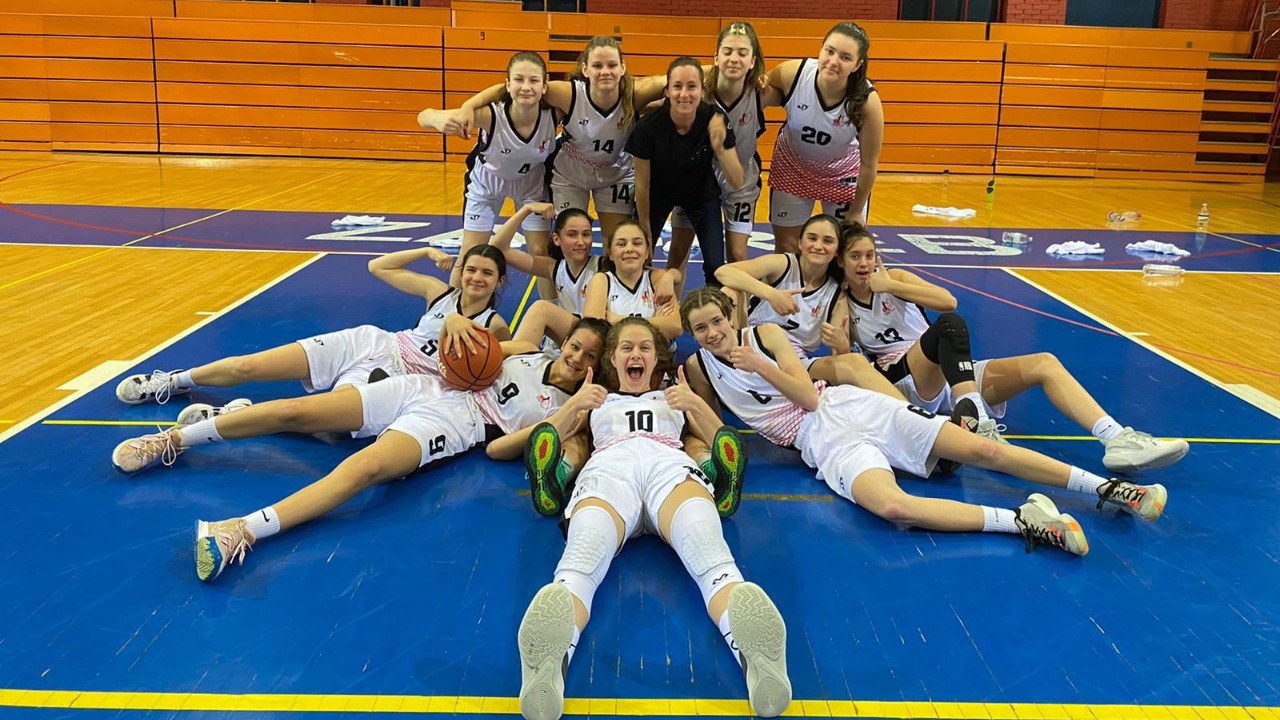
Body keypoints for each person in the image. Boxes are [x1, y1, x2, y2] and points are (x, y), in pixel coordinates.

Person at [111, 317, 610, 583]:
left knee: (364, 470)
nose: (576, 357)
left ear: (596, 366)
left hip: (458, 425)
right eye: (575, 346)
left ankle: (241, 529)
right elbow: (479, 338)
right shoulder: (529, 351)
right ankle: (174, 439)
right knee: (295, 412)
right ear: (563, 342)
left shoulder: (570, 411)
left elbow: (500, 450)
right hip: (425, 385)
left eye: (589, 355)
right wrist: (457, 321)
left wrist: (569, 410)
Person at [678, 288, 1171, 557]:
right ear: (692, 335)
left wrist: (760, 366)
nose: (713, 333)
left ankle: (1111, 489)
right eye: (701, 328)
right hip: (818, 442)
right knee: (894, 507)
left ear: (730, 316)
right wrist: (688, 417)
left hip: (845, 406)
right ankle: (1024, 520)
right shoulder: (699, 368)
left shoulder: (763, 335)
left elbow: (808, 395)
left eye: (717, 321)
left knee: (986, 450)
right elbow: (719, 430)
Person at [514, 317, 791, 720]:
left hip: (668, 465)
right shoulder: (597, 398)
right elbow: (547, 435)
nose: (636, 353)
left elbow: (723, 438)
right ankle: (547, 668)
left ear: (656, 358)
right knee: (582, 556)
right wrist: (575, 403)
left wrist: (694, 402)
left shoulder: (673, 396)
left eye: (645, 347)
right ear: (612, 358)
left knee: (710, 553)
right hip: (611, 465)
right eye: (626, 347)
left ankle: (760, 662)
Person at [837, 225, 1191, 473]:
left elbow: (947, 300)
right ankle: (977, 419)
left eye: (870, 255)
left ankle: (1116, 438)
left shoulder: (896, 277)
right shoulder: (842, 301)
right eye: (855, 257)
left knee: (1044, 363)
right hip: (907, 380)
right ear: (841, 262)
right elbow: (846, 358)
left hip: (950, 372)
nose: (865, 263)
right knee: (949, 328)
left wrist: (891, 285)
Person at [115, 245, 510, 425]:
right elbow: (378, 266)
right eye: (471, 269)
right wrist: (425, 251)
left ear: (499, 282)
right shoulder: (437, 292)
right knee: (249, 365)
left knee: (320, 420)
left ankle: (233, 415)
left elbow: (487, 371)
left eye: (487, 273)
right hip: (374, 343)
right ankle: (173, 381)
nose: (477, 278)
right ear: (461, 272)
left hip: (403, 377)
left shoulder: (493, 325)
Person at [447, 37, 666, 249]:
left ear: (623, 67)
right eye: (597, 65)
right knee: (569, 242)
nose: (605, 71)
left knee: (616, 241)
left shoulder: (635, 94)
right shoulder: (568, 93)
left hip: (615, 173)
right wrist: (469, 104)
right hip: (571, 174)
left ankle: (609, 276)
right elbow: (516, 87)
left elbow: (678, 78)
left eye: (612, 65)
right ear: (585, 69)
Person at [417, 52, 557, 296]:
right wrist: (437, 120)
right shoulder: (490, 115)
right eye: (519, 79)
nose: (526, 86)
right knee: (471, 251)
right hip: (487, 183)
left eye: (534, 80)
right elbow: (424, 115)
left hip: (531, 183)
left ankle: (554, 310)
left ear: (544, 87)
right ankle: (449, 310)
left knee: (540, 251)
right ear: (507, 84)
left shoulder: (555, 113)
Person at [715, 214, 902, 397]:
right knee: (730, 292)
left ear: (837, 251)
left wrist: (842, 345)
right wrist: (771, 294)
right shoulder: (783, 264)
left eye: (828, 241)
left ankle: (907, 411)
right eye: (812, 238)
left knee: (855, 362)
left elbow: (841, 356)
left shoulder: (836, 296)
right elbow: (724, 272)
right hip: (752, 349)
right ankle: (727, 364)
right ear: (800, 242)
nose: (818, 246)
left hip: (795, 366)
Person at [627, 57, 744, 289]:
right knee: (640, 254)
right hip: (657, 194)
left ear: (702, 91)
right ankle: (640, 304)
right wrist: (644, 226)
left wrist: (720, 148)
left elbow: (737, 180)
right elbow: (642, 184)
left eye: (691, 86)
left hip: (700, 195)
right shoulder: (648, 126)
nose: (684, 94)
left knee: (716, 266)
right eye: (677, 86)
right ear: (667, 91)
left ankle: (714, 308)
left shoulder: (715, 119)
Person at [766, 22, 882, 253]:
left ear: (858, 65)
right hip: (793, 167)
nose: (833, 61)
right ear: (820, 49)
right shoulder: (793, 73)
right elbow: (751, 88)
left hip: (842, 173)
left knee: (844, 251)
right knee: (788, 249)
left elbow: (869, 164)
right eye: (829, 51)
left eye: (845, 57)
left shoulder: (867, 102)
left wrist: (856, 210)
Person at [670, 22, 776, 269]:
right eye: (727, 52)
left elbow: (791, 84)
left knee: (738, 255)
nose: (734, 58)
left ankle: (735, 297)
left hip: (741, 180)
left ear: (753, 61)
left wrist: (766, 76)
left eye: (742, 53)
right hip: (698, 179)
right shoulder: (698, 91)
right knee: (679, 250)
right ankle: (671, 297)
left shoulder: (762, 93)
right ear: (716, 58)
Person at [489, 202, 601, 346]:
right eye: (572, 234)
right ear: (556, 239)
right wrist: (526, 209)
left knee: (541, 309)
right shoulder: (553, 268)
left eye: (586, 234)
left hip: (591, 339)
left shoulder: (603, 265)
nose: (580, 242)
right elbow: (498, 248)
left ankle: (499, 351)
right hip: (565, 341)